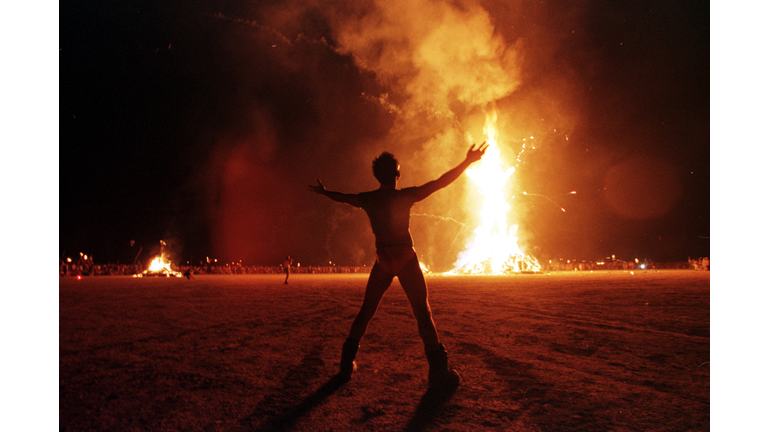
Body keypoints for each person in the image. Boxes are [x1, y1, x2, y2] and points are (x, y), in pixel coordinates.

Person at [309, 142, 488, 390]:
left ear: (377, 175)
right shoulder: (405, 196)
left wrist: (325, 191)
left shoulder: (368, 199)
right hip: (405, 256)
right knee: (422, 314)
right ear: (397, 174)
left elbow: (343, 198)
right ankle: (438, 372)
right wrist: (468, 161)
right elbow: (440, 182)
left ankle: (345, 365)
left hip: (383, 258)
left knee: (366, 311)